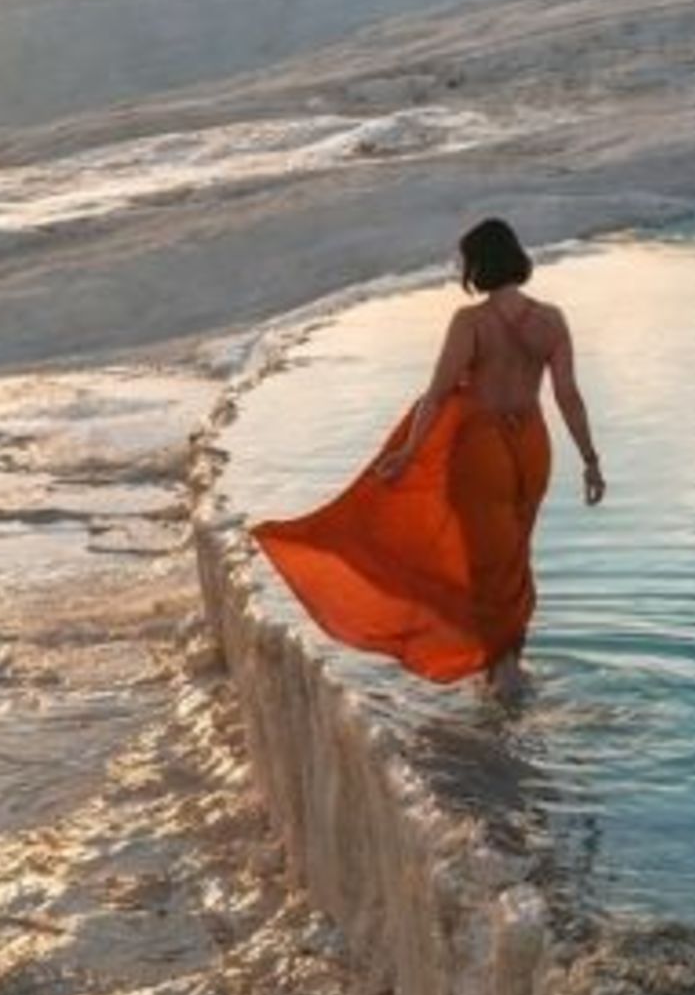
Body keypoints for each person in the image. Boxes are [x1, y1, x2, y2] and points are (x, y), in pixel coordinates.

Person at [252, 218, 602, 700]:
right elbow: (568, 396)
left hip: (482, 450)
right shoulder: (552, 320)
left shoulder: (471, 323)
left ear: (479, 265)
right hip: (533, 447)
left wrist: (406, 452)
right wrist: (589, 459)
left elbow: (435, 396)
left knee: (487, 563)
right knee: (514, 558)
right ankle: (506, 667)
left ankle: (501, 675)